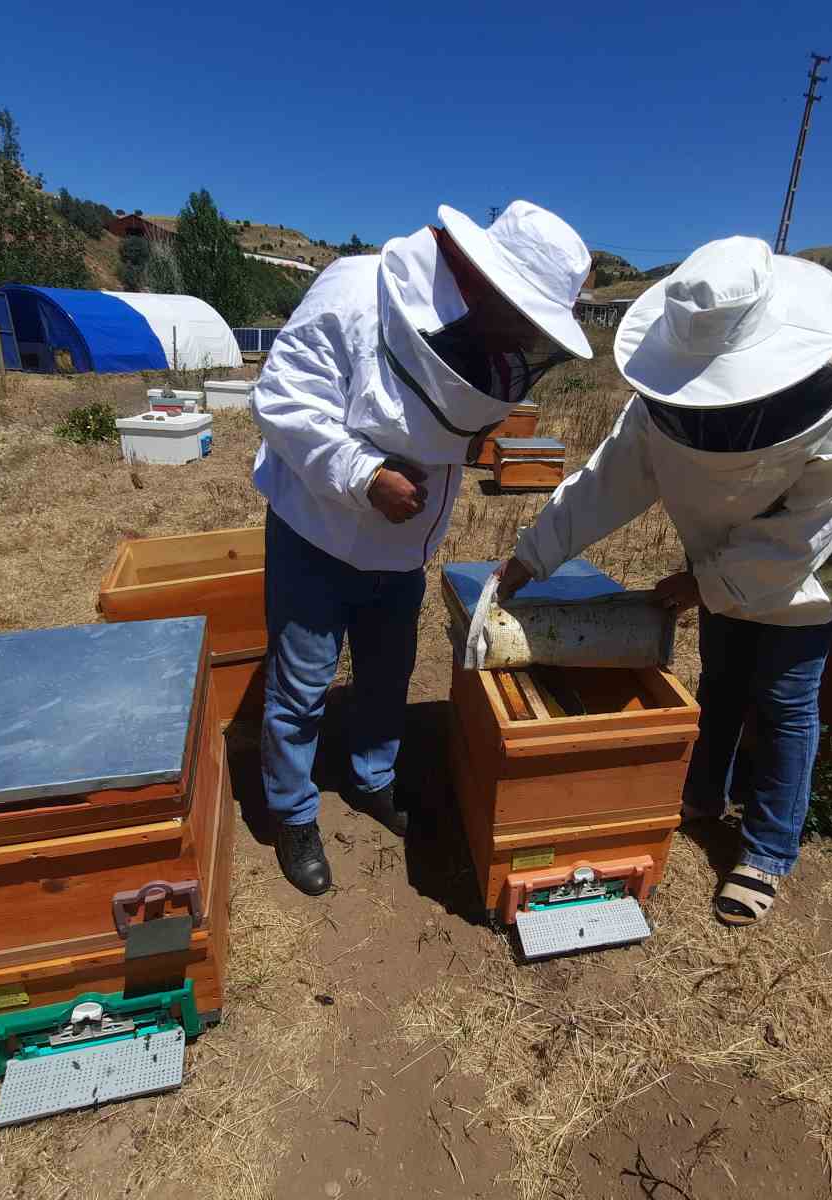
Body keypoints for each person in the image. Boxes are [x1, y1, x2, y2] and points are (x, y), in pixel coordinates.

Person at [497, 236, 832, 927]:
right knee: (721, 676)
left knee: (784, 694)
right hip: (733, 548)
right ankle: (702, 794)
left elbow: (795, 542)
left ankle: (768, 850)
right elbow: (607, 481)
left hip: (831, 552)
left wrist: (703, 583)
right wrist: (531, 555)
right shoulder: (670, 397)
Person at [251, 201, 594, 896]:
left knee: (387, 674)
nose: (524, 339)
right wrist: (365, 476)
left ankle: (372, 777)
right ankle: (291, 813)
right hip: (315, 534)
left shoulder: (483, 342)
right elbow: (282, 401)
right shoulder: (353, 291)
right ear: (489, 283)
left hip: (402, 554)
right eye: (524, 318)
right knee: (301, 683)